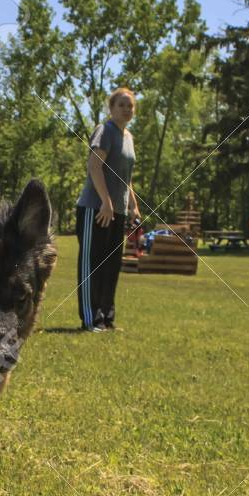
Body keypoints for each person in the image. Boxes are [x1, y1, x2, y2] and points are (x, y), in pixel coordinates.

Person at [76, 88, 140, 331]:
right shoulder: (104, 131)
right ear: (111, 108)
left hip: (117, 212)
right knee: (92, 265)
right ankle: (90, 319)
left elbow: (126, 177)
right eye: (121, 105)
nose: (126, 109)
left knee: (111, 266)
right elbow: (94, 166)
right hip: (96, 209)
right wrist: (106, 201)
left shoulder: (129, 137)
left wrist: (133, 206)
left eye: (130, 105)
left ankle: (106, 318)